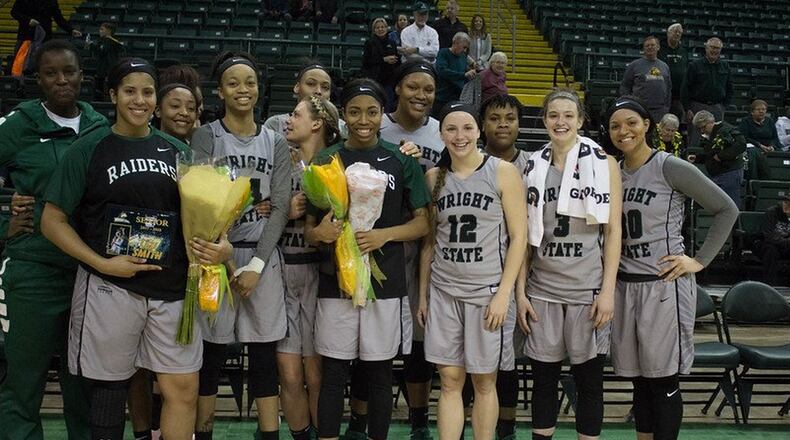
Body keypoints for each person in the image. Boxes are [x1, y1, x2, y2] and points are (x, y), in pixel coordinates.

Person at [40, 57, 228, 440]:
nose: (139, 100)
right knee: (110, 390)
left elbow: (212, 220)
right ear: (113, 95)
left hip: (174, 289)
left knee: (182, 389)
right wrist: (102, 265)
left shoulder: (179, 152)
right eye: (129, 91)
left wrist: (221, 249)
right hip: (112, 286)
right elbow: (52, 220)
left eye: (147, 92)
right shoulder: (89, 148)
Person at [604, 96, 738, 440]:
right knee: (638, 383)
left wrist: (699, 260)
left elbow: (726, 209)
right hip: (624, 285)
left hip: (663, 285)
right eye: (616, 125)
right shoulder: (611, 172)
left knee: (663, 383)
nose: (624, 131)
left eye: (631, 122)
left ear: (647, 125)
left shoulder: (669, 166)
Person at [305, 78, 430, 440]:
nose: (364, 120)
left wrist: (384, 235)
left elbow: (422, 223)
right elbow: (312, 227)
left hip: (385, 282)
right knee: (334, 372)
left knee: (378, 373)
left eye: (372, 112)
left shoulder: (400, 159)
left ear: (381, 115)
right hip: (336, 281)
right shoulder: (327, 159)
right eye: (355, 112)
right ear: (343, 115)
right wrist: (320, 234)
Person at [0, 39, 107, 440]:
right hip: (33, 273)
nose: (62, 80)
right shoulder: (20, 124)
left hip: (90, 275)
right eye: (51, 73)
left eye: (69, 72)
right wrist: (4, 222)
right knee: (22, 383)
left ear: (82, 76)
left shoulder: (99, 126)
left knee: (84, 382)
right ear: (38, 79)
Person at [190, 51, 291, 440]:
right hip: (215, 256)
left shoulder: (275, 142)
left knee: (264, 355)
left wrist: (254, 267)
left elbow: (280, 208)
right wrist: (223, 253)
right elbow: (198, 200)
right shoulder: (207, 135)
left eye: (249, 82)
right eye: (233, 82)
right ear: (220, 90)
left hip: (261, 256)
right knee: (212, 354)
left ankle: (269, 434)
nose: (243, 89)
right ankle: (203, 432)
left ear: (258, 88)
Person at [417, 101, 526, 440]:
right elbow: (429, 244)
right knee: (449, 381)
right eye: (451, 129)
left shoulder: (502, 171)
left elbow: (519, 237)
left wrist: (504, 295)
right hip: (445, 292)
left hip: (487, 293)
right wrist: (423, 295)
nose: (459, 135)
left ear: (478, 130)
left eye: (466, 128)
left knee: (483, 380)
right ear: (441, 134)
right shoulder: (434, 177)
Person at [521, 89, 622, 440]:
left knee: (589, 383)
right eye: (553, 115)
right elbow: (522, 240)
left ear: (580, 120)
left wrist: (608, 291)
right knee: (544, 382)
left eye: (568, 115)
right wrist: (520, 293)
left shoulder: (605, 163)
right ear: (545, 120)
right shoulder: (531, 165)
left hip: (588, 289)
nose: (560, 122)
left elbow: (613, 233)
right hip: (543, 289)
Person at [126, 81, 202, 440]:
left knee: (178, 379)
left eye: (190, 107)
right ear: (157, 109)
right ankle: (144, 432)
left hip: (181, 281)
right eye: (174, 105)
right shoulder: (138, 150)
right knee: (138, 370)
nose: (183, 113)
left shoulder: (197, 155)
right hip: (136, 276)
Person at [378, 60, 442, 440]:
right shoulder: (378, 124)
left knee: (420, 339)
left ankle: (419, 420)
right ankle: (366, 418)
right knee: (377, 341)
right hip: (382, 242)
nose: (421, 95)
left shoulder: (442, 132)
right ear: (398, 88)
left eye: (428, 90)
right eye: (413, 87)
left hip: (429, 245)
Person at [277, 96, 342, 440]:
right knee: (289, 374)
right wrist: (280, 212)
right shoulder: (278, 163)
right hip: (281, 271)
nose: (289, 119)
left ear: (317, 124)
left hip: (320, 273)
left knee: (316, 373)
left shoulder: (334, 164)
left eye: (296, 114)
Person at [478, 94, 528, 440]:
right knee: (476, 363)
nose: (503, 125)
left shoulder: (534, 165)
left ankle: (507, 428)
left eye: (509, 118)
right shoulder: (469, 162)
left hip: (526, 274)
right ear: (483, 124)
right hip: (479, 277)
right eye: (495, 118)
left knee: (508, 360)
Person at [264, 61, 338, 139]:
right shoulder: (275, 124)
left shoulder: (341, 127)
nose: (318, 91)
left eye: (325, 87)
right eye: (311, 84)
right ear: (297, 87)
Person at [681, 37, 732, 147]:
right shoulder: (694, 65)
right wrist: (687, 108)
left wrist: (723, 107)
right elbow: (685, 88)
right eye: (712, 47)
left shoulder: (725, 66)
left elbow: (730, 88)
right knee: (695, 138)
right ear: (706, 48)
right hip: (697, 107)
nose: (714, 50)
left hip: (717, 107)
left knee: (716, 139)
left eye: (717, 48)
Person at [690, 110, 746, 208]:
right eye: (700, 129)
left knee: (730, 207)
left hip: (730, 173)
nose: (702, 131)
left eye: (703, 127)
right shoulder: (710, 135)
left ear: (711, 122)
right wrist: (698, 158)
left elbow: (741, 145)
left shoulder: (726, 129)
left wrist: (721, 156)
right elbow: (711, 154)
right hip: (719, 175)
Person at [619, 36, 672, 123]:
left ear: (658, 47)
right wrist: (630, 104)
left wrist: (666, 108)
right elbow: (625, 87)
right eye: (647, 46)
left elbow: (668, 89)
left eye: (652, 45)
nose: (650, 47)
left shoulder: (664, 66)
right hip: (639, 109)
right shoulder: (634, 65)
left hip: (659, 111)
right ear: (644, 49)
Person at [362, 18, 401, 111]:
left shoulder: (392, 42)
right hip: (375, 78)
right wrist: (384, 60)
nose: (380, 29)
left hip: (389, 79)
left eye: (382, 27)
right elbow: (366, 61)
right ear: (374, 30)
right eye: (377, 27)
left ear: (387, 28)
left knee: (388, 104)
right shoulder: (369, 43)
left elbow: (397, 59)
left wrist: (395, 60)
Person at [434, 32, 475, 118]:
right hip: (442, 97)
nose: (464, 50)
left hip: (457, 98)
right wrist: (464, 75)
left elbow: (463, 75)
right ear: (456, 42)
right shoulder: (443, 53)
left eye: (466, 48)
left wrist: (470, 75)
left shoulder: (463, 57)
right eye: (464, 47)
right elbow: (442, 71)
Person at [11, 0, 81, 47]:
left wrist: (71, 30)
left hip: (44, 37)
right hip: (25, 36)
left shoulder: (51, 1)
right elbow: (14, 12)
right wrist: (28, 20)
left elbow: (59, 18)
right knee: (20, 63)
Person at [657, 23, 688, 120]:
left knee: (676, 120)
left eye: (680, 33)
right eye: (675, 32)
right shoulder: (659, 49)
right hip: (662, 93)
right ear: (668, 33)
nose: (678, 34)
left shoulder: (683, 51)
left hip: (677, 95)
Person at [758, 194, 790, 285]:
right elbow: (768, 236)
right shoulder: (772, 212)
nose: (787, 205)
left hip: (785, 244)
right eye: (786, 202)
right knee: (770, 250)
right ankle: (769, 284)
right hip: (768, 243)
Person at [90, 22, 125, 99]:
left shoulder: (111, 42)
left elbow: (103, 51)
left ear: (109, 31)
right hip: (101, 69)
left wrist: (92, 46)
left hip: (108, 69)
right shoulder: (102, 41)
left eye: (102, 29)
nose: (100, 31)